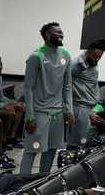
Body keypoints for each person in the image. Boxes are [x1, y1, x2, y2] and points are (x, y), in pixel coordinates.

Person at [21, 22, 73, 176]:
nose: (61, 34)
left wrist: (68, 110)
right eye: (57, 32)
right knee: (32, 149)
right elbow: (28, 88)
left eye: (61, 31)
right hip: (39, 113)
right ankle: (20, 184)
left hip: (57, 113)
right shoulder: (36, 57)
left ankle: (41, 182)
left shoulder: (65, 55)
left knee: (51, 151)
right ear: (47, 35)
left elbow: (67, 86)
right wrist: (29, 115)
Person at [67, 39, 105, 150]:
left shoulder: (92, 61)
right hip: (81, 107)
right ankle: (69, 165)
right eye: (95, 56)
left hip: (92, 103)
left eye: (99, 57)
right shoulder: (77, 65)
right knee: (76, 145)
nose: (97, 59)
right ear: (88, 51)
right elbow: (66, 85)